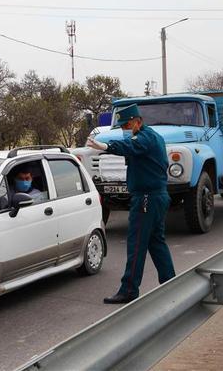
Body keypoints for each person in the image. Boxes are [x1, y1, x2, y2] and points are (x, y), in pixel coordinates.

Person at [87, 103, 176, 304]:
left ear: (137, 122)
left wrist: (106, 147)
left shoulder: (144, 138)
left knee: (136, 244)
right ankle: (171, 283)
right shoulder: (154, 137)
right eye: (123, 128)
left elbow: (131, 146)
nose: (125, 130)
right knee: (156, 242)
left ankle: (129, 289)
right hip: (157, 196)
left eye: (127, 126)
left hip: (146, 197)